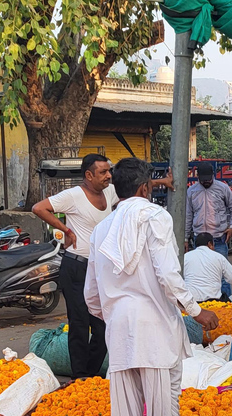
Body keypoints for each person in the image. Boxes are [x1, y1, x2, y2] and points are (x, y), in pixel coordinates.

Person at [85, 158, 219, 416]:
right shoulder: (155, 216)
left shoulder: (101, 229)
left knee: (126, 410)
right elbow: (168, 274)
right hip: (155, 330)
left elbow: (91, 295)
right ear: (145, 188)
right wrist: (196, 311)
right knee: (164, 407)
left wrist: (117, 315)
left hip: (119, 331)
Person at [32, 155, 174, 379]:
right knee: (79, 324)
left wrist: (161, 183)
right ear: (88, 175)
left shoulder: (109, 191)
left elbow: (134, 185)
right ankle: (80, 377)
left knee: (103, 325)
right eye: (103, 172)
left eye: (109, 171)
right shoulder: (73, 195)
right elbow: (39, 208)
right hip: (76, 266)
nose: (109, 176)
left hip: (99, 269)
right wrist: (66, 231)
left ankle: (91, 372)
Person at [184, 162, 232, 296]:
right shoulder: (191, 191)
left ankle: (226, 303)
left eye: (208, 180)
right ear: (198, 178)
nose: (206, 183)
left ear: (213, 176)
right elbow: (188, 215)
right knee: (200, 273)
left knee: (223, 274)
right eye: (203, 181)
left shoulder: (223, 188)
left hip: (218, 239)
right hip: (199, 239)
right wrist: (185, 238)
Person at [183, 232, 232, 303]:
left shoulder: (185, 257)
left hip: (191, 301)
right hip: (214, 301)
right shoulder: (218, 257)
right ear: (210, 244)